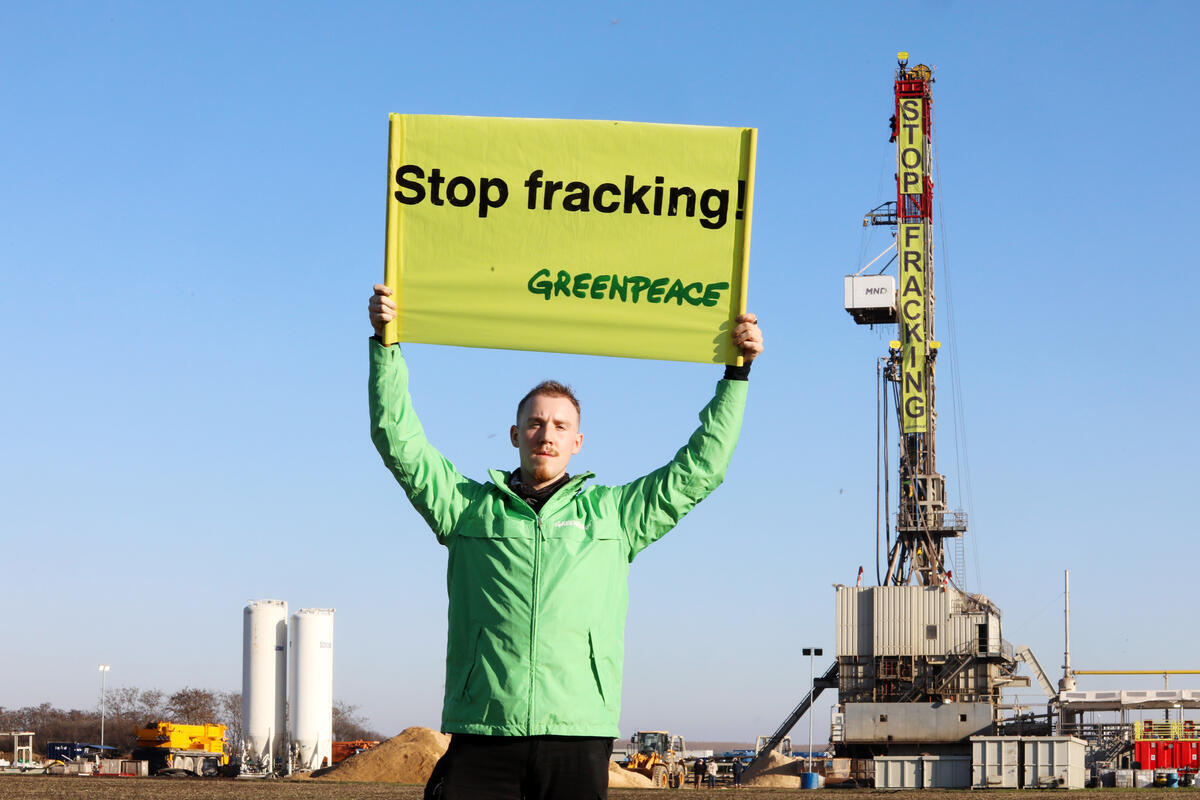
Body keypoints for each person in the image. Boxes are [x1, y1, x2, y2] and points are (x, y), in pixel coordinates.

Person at [367, 283, 764, 800]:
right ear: (514, 435)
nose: (545, 434)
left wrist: (737, 375)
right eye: (534, 423)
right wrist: (386, 346)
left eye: (559, 425)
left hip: (576, 729)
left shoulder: (616, 515)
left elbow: (700, 470)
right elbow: (398, 440)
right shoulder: (465, 507)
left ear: (578, 442)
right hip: (485, 727)